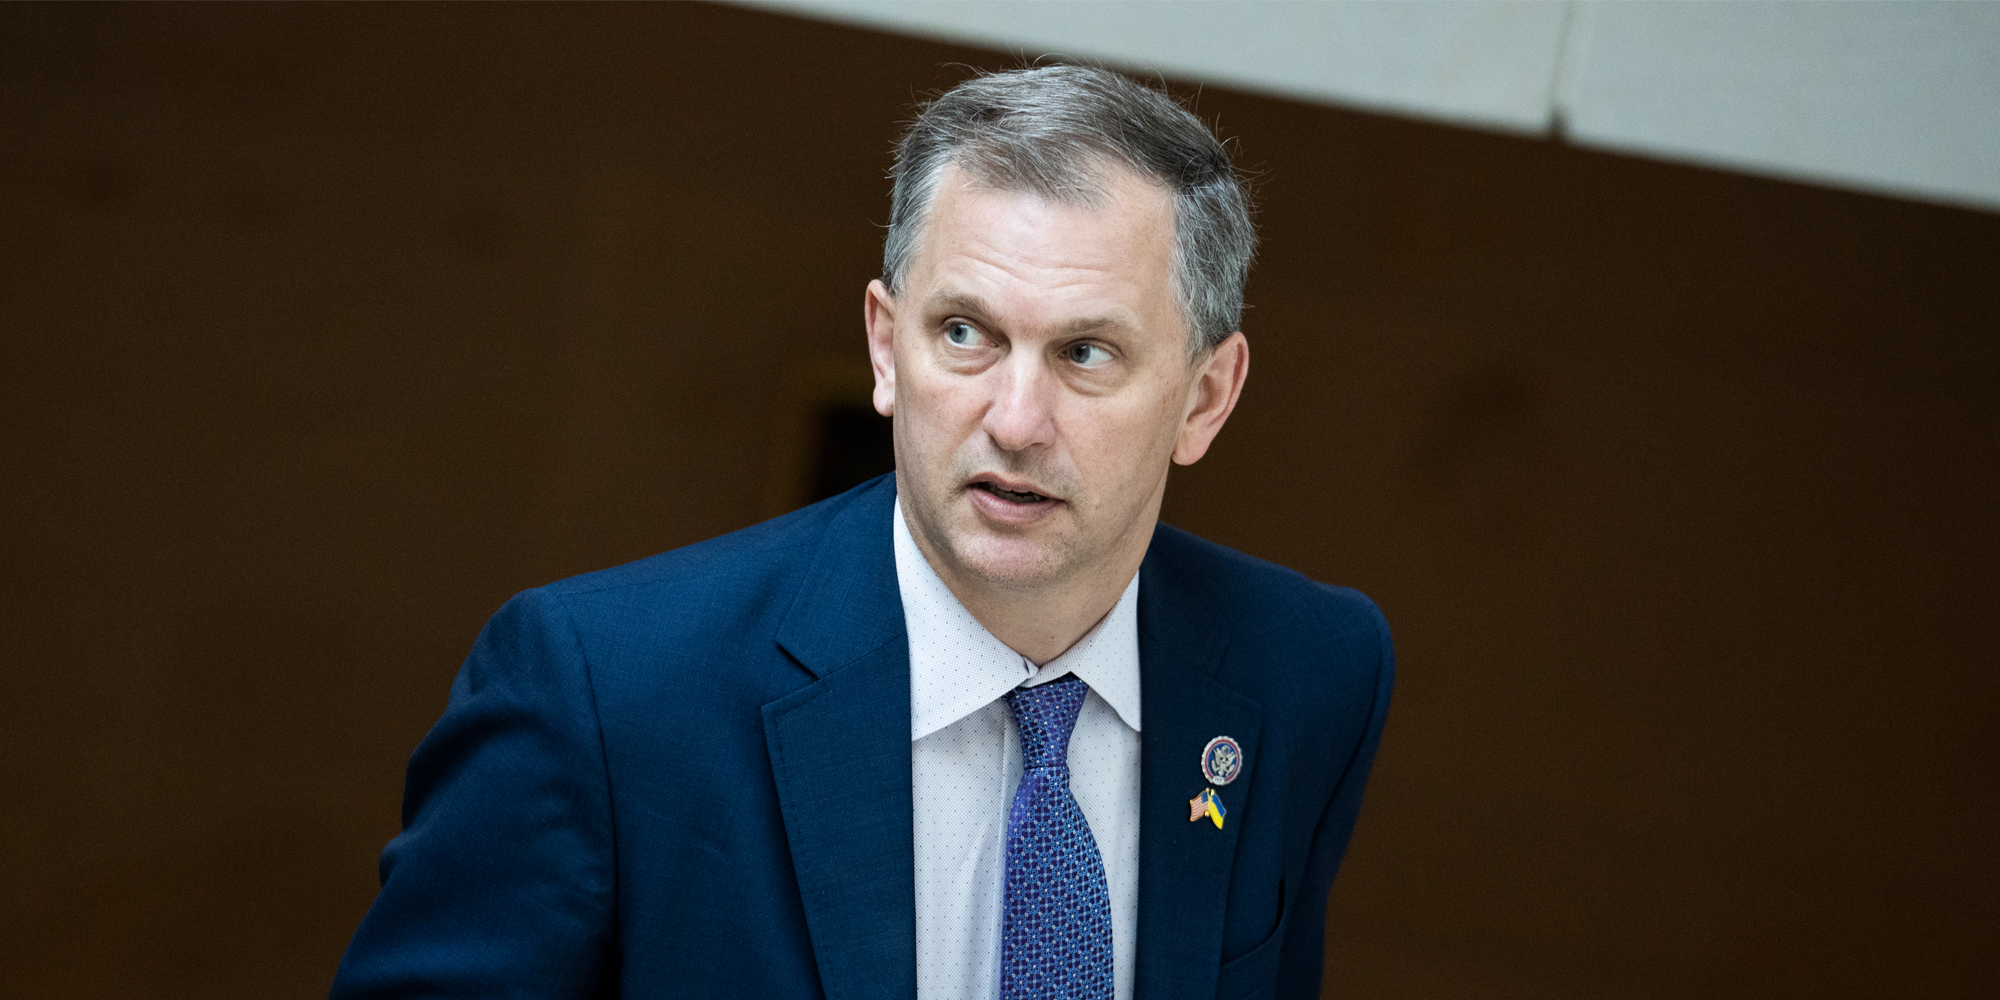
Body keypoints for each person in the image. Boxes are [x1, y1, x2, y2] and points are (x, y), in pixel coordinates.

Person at [330, 65, 1392, 1000]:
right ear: (886, 349)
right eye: (964, 333)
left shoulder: (1306, 673)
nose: (1014, 421)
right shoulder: (604, 692)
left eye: (1085, 353)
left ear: (1206, 396)